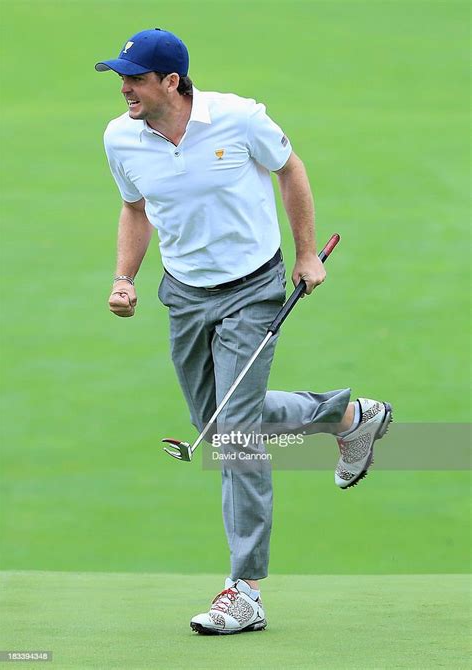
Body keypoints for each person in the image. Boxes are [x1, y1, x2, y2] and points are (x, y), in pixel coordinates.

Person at [96, 28, 392, 635]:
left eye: (135, 77)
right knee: (221, 418)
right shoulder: (120, 137)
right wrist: (125, 277)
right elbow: (135, 209)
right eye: (120, 76)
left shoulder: (239, 119)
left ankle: (245, 588)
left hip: (252, 288)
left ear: (170, 82)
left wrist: (307, 254)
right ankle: (349, 418)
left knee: (234, 435)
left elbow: (291, 169)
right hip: (183, 293)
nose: (123, 87)